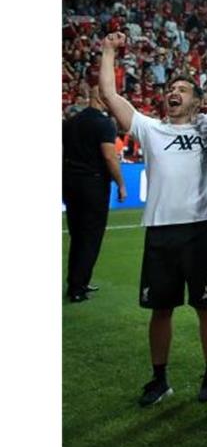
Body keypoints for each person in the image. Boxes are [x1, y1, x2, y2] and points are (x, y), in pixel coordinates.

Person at [98, 31, 207, 407]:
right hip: (160, 233)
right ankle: (159, 379)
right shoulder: (150, 128)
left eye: (184, 89)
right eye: (172, 87)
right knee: (160, 310)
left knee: (206, 306)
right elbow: (110, 96)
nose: (175, 92)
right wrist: (107, 52)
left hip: (201, 230)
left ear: (198, 102)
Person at [63, 84, 127, 303]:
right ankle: (78, 288)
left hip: (70, 183)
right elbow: (110, 157)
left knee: (77, 235)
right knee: (90, 237)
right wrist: (121, 184)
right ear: (102, 99)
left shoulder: (71, 122)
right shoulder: (104, 124)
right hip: (93, 184)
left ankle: (76, 281)